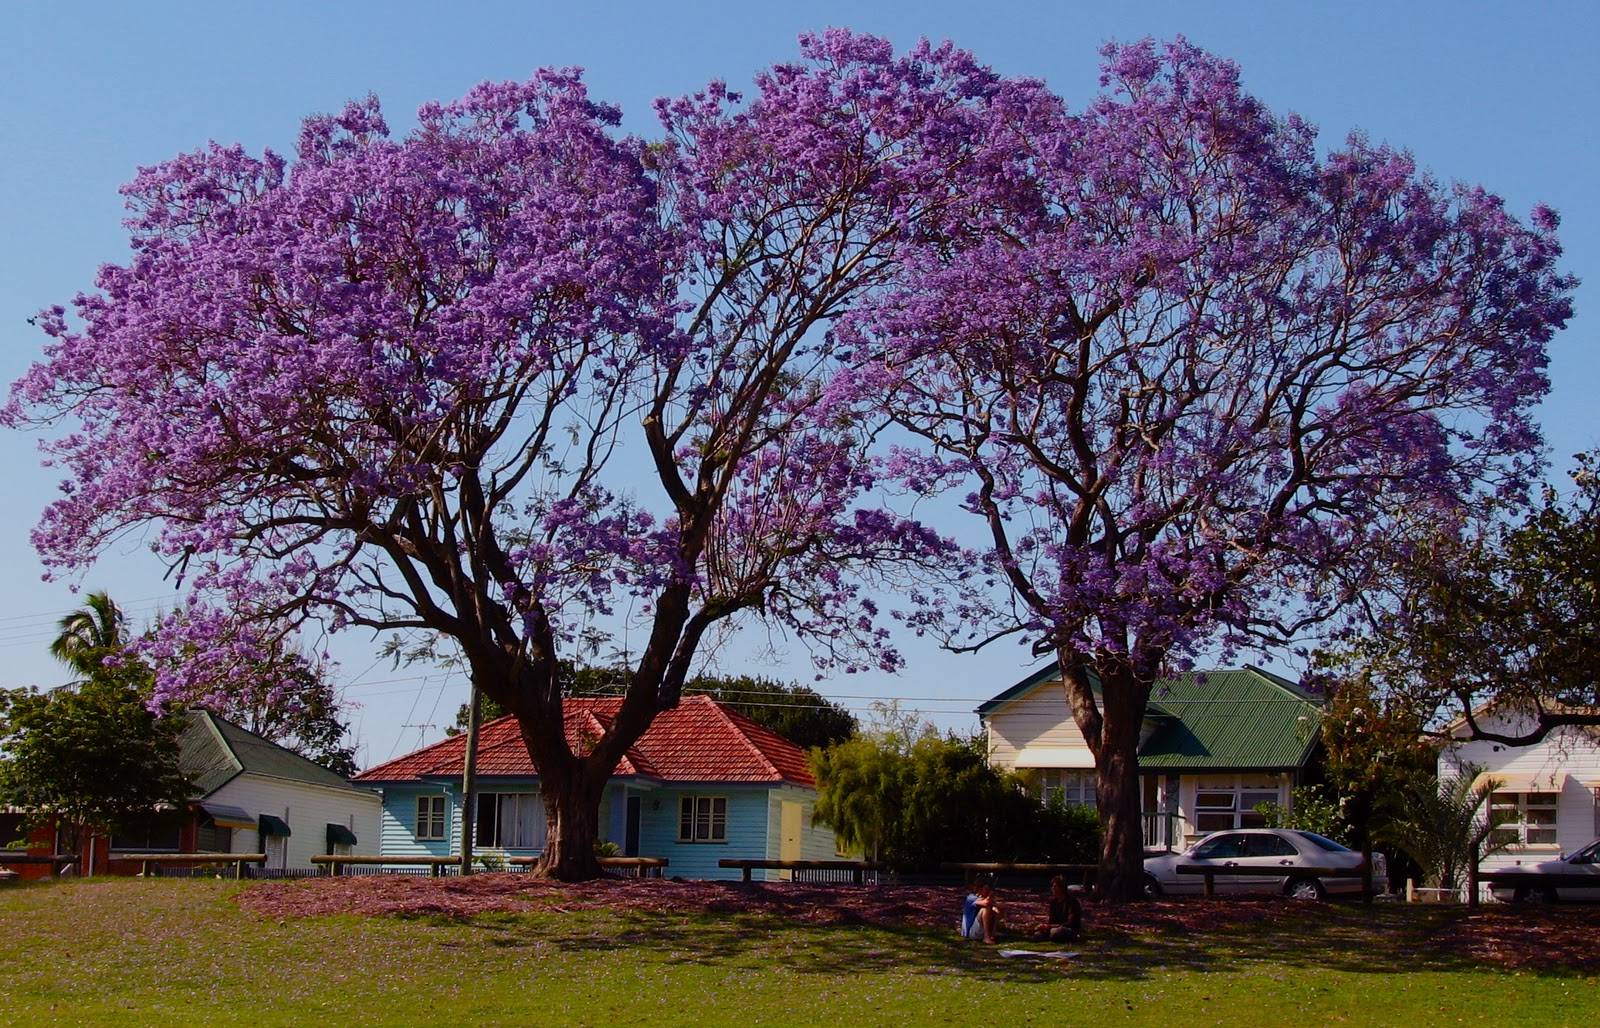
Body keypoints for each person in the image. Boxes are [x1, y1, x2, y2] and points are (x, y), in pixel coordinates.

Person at [1030, 875, 1083, 943]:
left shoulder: (1072, 902)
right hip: (1054, 928)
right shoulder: (1054, 902)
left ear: (1061, 888)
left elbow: (1070, 923)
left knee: (1058, 931)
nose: (1053, 889)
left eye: (1055, 887)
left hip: (1068, 929)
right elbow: (1051, 921)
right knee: (1038, 935)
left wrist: (1051, 926)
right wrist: (1044, 927)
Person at [961, 878, 1001, 943]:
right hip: (971, 932)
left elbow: (1002, 906)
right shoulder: (971, 898)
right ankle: (986, 937)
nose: (987, 891)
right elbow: (985, 903)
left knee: (995, 909)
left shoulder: (984, 898)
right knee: (986, 909)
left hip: (979, 927)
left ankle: (992, 935)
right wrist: (989, 897)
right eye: (986, 889)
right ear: (979, 889)